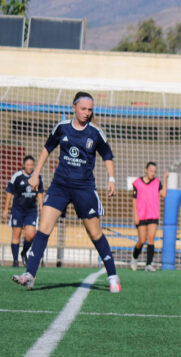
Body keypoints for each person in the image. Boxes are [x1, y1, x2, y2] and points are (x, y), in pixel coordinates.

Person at [11, 91, 121, 292]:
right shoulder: (62, 128)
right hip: (59, 186)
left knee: (95, 233)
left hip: (84, 189)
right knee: (43, 228)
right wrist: (35, 174)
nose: (87, 113)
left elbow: (107, 156)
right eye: (83, 109)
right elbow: (46, 149)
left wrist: (111, 179)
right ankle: (30, 274)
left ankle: (113, 276)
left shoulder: (95, 133)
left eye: (90, 109)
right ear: (74, 108)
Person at [3, 155, 44, 267]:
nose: (30, 167)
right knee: (16, 234)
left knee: (31, 235)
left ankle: (24, 252)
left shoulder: (37, 177)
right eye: (28, 164)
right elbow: (9, 192)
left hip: (31, 211)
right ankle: (15, 261)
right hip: (17, 210)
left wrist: (41, 206)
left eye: (31, 165)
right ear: (24, 165)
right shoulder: (17, 176)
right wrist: (6, 209)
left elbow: (40, 192)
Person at [131, 162, 168, 272]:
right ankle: (134, 258)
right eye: (151, 171)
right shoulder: (137, 183)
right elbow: (134, 200)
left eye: (155, 171)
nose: (153, 173)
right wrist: (135, 215)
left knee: (151, 239)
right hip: (141, 215)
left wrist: (165, 179)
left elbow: (164, 194)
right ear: (146, 170)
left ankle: (148, 264)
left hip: (153, 215)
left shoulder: (157, 182)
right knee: (142, 240)